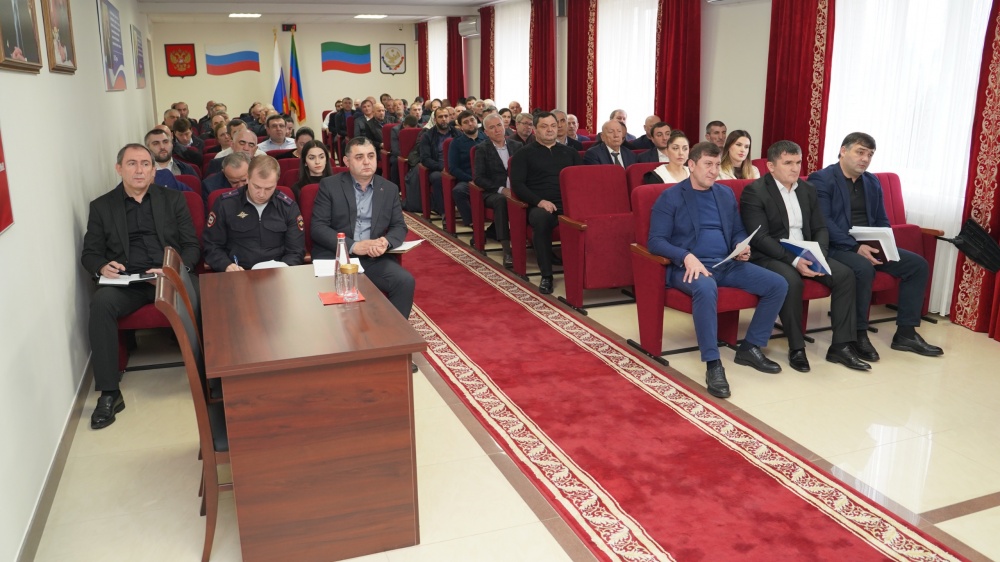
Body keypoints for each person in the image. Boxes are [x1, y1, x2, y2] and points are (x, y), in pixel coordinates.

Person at [647, 142, 787, 399]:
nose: (713, 171)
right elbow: (655, 241)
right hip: (689, 268)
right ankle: (713, 363)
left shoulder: (724, 194)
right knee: (706, 287)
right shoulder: (670, 197)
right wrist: (686, 256)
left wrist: (740, 246)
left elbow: (737, 230)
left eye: (716, 164)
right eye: (707, 164)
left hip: (726, 263)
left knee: (777, 284)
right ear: (691, 165)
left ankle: (750, 347)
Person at [81, 144, 200, 429]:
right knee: (101, 303)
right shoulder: (102, 206)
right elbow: (90, 253)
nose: (139, 170)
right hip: (129, 283)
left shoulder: (173, 200)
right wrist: (102, 266)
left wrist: (174, 270)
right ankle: (109, 393)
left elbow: (192, 246)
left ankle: (209, 375)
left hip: (168, 277)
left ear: (153, 170)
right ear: (119, 168)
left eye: (145, 164)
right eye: (132, 163)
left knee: (208, 295)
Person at [740, 141, 870, 372]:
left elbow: (820, 227)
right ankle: (797, 347)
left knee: (845, 275)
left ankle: (841, 346)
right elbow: (760, 238)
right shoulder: (755, 191)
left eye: (798, 162)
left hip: (806, 251)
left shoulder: (807, 189)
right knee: (791, 280)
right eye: (788, 163)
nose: (794, 168)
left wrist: (819, 254)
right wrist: (794, 260)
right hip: (771, 254)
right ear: (771, 166)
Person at [810, 132, 943, 358]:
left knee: (917, 265)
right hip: (836, 247)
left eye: (870, 154)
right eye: (860, 152)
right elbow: (824, 222)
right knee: (863, 268)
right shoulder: (822, 179)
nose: (865, 159)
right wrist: (855, 247)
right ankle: (859, 334)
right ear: (843, 151)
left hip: (869, 245)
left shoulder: (872, 182)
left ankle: (906, 334)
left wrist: (884, 244)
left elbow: (882, 219)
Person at [311, 137, 415, 318]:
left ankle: (394, 333)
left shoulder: (389, 189)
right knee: (340, 308)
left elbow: (399, 226)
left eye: (371, 156)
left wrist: (385, 242)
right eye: (359, 157)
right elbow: (318, 227)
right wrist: (353, 246)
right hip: (336, 258)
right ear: (346, 161)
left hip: (372, 258)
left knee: (405, 281)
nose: (367, 162)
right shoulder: (330, 185)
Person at [510, 111, 583, 294]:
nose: (550, 130)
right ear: (535, 129)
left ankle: (588, 272)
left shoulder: (570, 153)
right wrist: (540, 201)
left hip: (569, 204)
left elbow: (581, 180)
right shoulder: (523, 154)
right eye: (544, 126)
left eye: (553, 126)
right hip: (540, 205)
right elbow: (518, 185)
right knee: (541, 220)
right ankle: (547, 275)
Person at [203, 155, 304, 271]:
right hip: (239, 272)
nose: (261, 194)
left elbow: (296, 251)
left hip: (278, 272)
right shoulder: (225, 204)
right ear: (247, 178)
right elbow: (212, 245)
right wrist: (225, 265)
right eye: (256, 187)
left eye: (268, 188)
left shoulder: (288, 207)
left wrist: (284, 269)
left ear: (277, 182)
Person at [470, 114, 522, 268]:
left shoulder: (517, 146)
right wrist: (501, 189)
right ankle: (507, 250)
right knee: (501, 201)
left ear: (504, 126)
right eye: (492, 127)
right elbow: (479, 178)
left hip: (516, 189)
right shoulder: (481, 149)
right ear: (486, 132)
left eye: (499, 125)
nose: (497, 130)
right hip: (493, 193)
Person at [413, 107, 459, 213]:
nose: (444, 119)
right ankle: (444, 212)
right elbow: (425, 159)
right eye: (440, 117)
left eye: (446, 116)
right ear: (435, 119)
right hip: (438, 168)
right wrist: (442, 167)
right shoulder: (427, 136)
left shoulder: (457, 133)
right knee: (437, 178)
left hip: (456, 167)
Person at [449, 110, 488, 226]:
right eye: (466, 122)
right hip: (468, 179)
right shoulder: (456, 143)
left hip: (488, 178)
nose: (470, 124)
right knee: (458, 191)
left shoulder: (487, 138)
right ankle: (473, 222)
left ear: (477, 121)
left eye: (472, 120)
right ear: (461, 127)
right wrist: (471, 179)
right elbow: (453, 168)